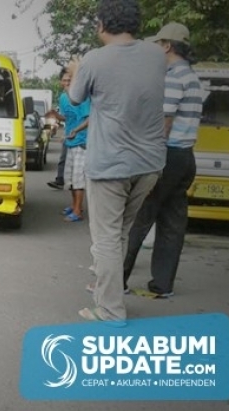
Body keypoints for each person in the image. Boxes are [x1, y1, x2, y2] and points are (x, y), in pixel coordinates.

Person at [69, 0, 166, 324]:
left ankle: (110, 310)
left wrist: (77, 68)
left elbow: (74, 97)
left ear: (101, 24)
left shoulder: (95, 60)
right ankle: (106, 291)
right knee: (121, 232)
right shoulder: (156, 55)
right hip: (150, 163)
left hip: (111, 164)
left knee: (107, 238)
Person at [122, 22, 203, 298]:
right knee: (172, 221)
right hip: (185, 157)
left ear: (167, 46)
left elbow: (164, 123)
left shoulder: (171, 77)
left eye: (158, 44)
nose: (155, 48)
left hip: (166, 155)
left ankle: (117, 279)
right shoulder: (192, 76)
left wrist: (147, 157)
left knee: (140, 215)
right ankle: (163, 284)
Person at [58, 67, 90, 223]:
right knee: (69, 178)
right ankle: (74, 205)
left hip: (81, 142)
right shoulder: (63, 98)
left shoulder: (83, 98)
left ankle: (78, 211)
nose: (66, 83)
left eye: (70, 81)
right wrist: (55, 116)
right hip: (70, 141)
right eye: (64, 81)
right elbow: (66, 118)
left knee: (78, 179)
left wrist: (76, 131)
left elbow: (89, 119)